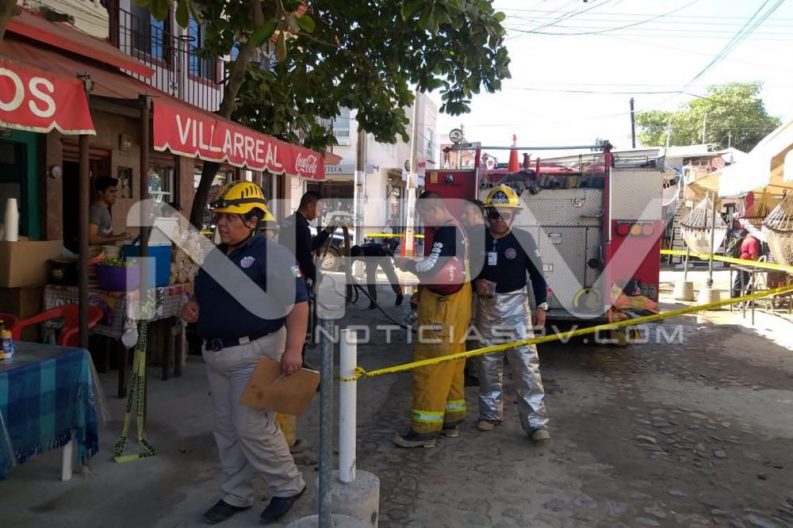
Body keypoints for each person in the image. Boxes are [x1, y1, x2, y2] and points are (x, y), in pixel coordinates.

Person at [181, 182, 308, 525]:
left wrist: (294, 349)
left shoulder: (274, 254)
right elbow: (201, 295)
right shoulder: (215, 254)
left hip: (257, 351)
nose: (221, 222)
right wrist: (192, 306)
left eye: (229, 217)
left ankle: (288, 485)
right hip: (217, 354)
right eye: (219, 216)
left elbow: (298, 302)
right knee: (226, 429)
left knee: (251, 424)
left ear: (252, 220)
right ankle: (235, 494)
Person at [393, 191, 472, 448]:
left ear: (433, 209)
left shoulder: (446, 233)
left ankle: (424, 430)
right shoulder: (459, 230)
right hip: (457, 310)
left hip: (442, 312)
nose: (423, 221)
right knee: (452, 363)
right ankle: (451, 419)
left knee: (430, 367)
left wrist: (405, 264)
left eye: (423, 215)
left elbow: (430, 268)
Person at [474, 184, 551, 444]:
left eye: (505, 214)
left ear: (514, 215)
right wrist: (475, 282)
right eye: (493, 214)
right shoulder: (477, 238)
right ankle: (490, 414)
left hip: (517, 307)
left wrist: (541, 306)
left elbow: (538, 276)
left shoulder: (524, 240)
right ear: (487, 215)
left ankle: (535, 423)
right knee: (486, 363)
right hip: (486, 307)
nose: (499, 219)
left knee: (526, 364)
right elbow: (464, 269)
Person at [279, 191, 335, 284]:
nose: (319, 215)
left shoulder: (288, 221)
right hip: (293, 271)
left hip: (284, 268)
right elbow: (305, 261)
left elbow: (307, 246)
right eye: (319, 210)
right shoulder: (302, 228)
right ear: (310, 206)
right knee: (301, 293)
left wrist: (327, 231)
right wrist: (317, 276)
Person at [460, 198, 487, 387]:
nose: (463, 217)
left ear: (477, 215)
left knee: (475, 329)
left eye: (467, 213)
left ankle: (476, 372)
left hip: (476, 291)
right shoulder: (475, 233)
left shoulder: (478, 234)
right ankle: (474, 369)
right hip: (474, 289)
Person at [350, 243, 404, 309]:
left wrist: (395, 260)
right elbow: (350, 262)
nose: (359, 258)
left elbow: (387, 249)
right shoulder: (354, 254)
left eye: (360, 256)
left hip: (383, 257)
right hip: (371, 261)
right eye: (357, 258)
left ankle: (399, 294)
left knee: (391, 275)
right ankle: (373, 301)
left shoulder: (371, 249)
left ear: (361, 252)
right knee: (370, 280)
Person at [89, 176, 130, 245]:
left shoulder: (104, 209)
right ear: (101, 192)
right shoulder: (96, 210)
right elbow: (91, 239)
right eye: (111, 191)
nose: (115, 195)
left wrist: (120, 236)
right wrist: (118, 237)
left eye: (115, 191)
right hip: (96, 253)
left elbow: (105, 235)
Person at [731, 229, 761, 298]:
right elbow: (753, 255)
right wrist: (758, 263)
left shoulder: (746, 240)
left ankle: (736, 296)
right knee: (750, 281)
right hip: (748, 263)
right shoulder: (753, 241)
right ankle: (746, 298)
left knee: (740, 280)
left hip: (743, 261)